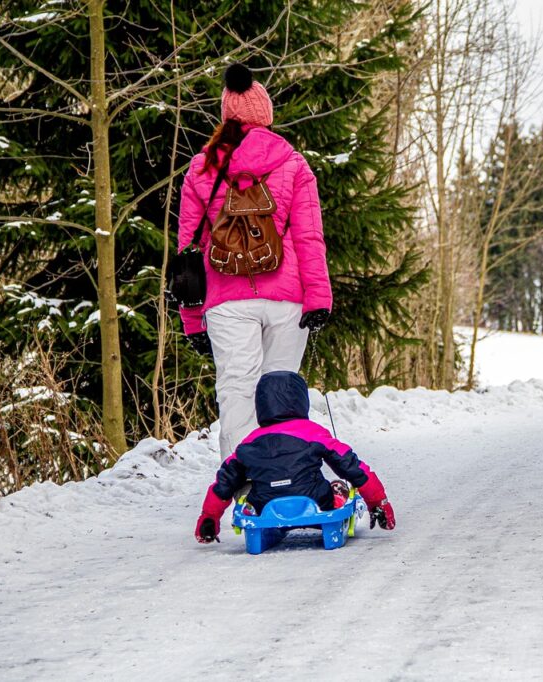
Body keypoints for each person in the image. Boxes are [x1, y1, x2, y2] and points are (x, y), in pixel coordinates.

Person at [177, 62, 332, 461]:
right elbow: (309, 238)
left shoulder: (201, 168)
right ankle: (284, 475)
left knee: (237, 389)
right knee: (279, 391)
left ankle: (241, 476)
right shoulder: (293, 164)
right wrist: (318, 299)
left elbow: (189, 251)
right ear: (265, 114)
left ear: (225, 114)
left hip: (226, 300)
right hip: (287, 299)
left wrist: (192, 319)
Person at [195, 371, 396, 544]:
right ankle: (335, 509)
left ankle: (257, 521)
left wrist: (209, 517)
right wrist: (378, 502)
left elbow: (224, 482)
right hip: (318, 502)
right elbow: (351, 466)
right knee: (338, 486)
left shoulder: (249, 442)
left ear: (261, 404)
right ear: (301, 400)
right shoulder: (313, 432)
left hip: (264, 505)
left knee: (247, 491)